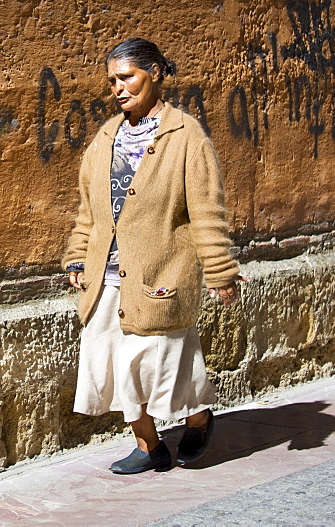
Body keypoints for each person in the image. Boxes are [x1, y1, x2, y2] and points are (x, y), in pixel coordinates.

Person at [62, 37, 242, 474]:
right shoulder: (106, 137)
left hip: (160, 273)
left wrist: (220, 271)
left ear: (156, 73)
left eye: (127, 77)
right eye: (112, 81)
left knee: (163, 363)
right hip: (105, 275)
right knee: (110, 360)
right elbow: (90, 208)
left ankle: (198, 419)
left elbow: (207, 210)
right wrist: (77, 255)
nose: (118, 89)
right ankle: (149, 445)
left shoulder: (186, 136)